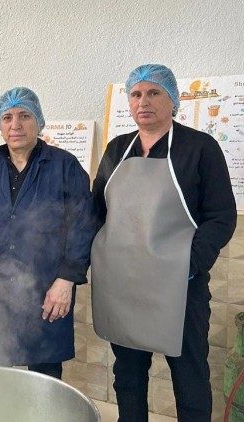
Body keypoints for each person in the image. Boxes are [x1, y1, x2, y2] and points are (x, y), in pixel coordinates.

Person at [91, 64, 236, 421]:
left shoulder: (200, 148)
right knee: (127, 376)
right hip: (125, 285)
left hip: (180, 288)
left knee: (189, 377)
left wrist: (189, 264)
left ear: (172, 100)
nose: (144, 102)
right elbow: (96, 213)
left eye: (154, 93)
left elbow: (221, 216)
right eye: (136, 94)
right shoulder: (117, 149)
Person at [0, 87, 94, 377]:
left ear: (39, 121)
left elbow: (83, 225)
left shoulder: (64, 165)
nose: (15, 125)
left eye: (24, 116)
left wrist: (66, 280)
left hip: (45, 287)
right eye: (7, 118)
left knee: (44, 376)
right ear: (0, 125)